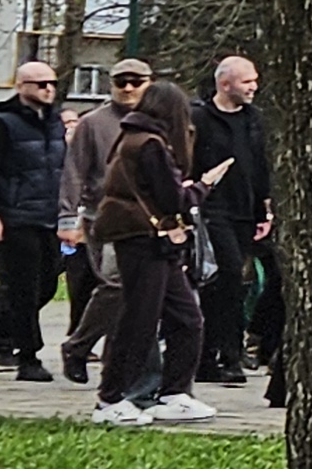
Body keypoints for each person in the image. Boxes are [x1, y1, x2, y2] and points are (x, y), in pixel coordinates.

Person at [86, 81, 216, 425]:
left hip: (145, 237)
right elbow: (174, 200)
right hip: (143, 237)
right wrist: (205, 186)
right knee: (139, 320)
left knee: (186, 316)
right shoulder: (151, 145)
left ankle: (174, 393)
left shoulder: (132, 136)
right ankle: (110, 399)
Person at [55, 59, 158, 388]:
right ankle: (80, 344)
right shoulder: (93, 123)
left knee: (138, 296)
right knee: (116, 284)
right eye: (120, 81)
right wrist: (68, 218)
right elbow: (74, 172)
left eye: (135, 81)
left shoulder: (160, 120)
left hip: (150, 218)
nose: (128, 88)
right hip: (105, 217)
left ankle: (118, 371)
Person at [0, 61, 66, 380]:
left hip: (48, 216)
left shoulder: (54, 124)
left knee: (47, 284)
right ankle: (29, 358)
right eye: (40, 84)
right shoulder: (1, 126)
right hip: (13, 217)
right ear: (21, 86)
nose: (48, 89)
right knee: (22, 288)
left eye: (51, 83)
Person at [192, 56, 279, 387]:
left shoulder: (255, 121)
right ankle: (225, 355)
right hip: (211, 211)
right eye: (247, 81)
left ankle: (212, 353)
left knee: (233, 286)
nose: (253, 86)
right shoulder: (200, 118)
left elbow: (259, 168)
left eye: (255, 80)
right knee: (225, 276)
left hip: (245, 211)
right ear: (225, 84)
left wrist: (263, 210)